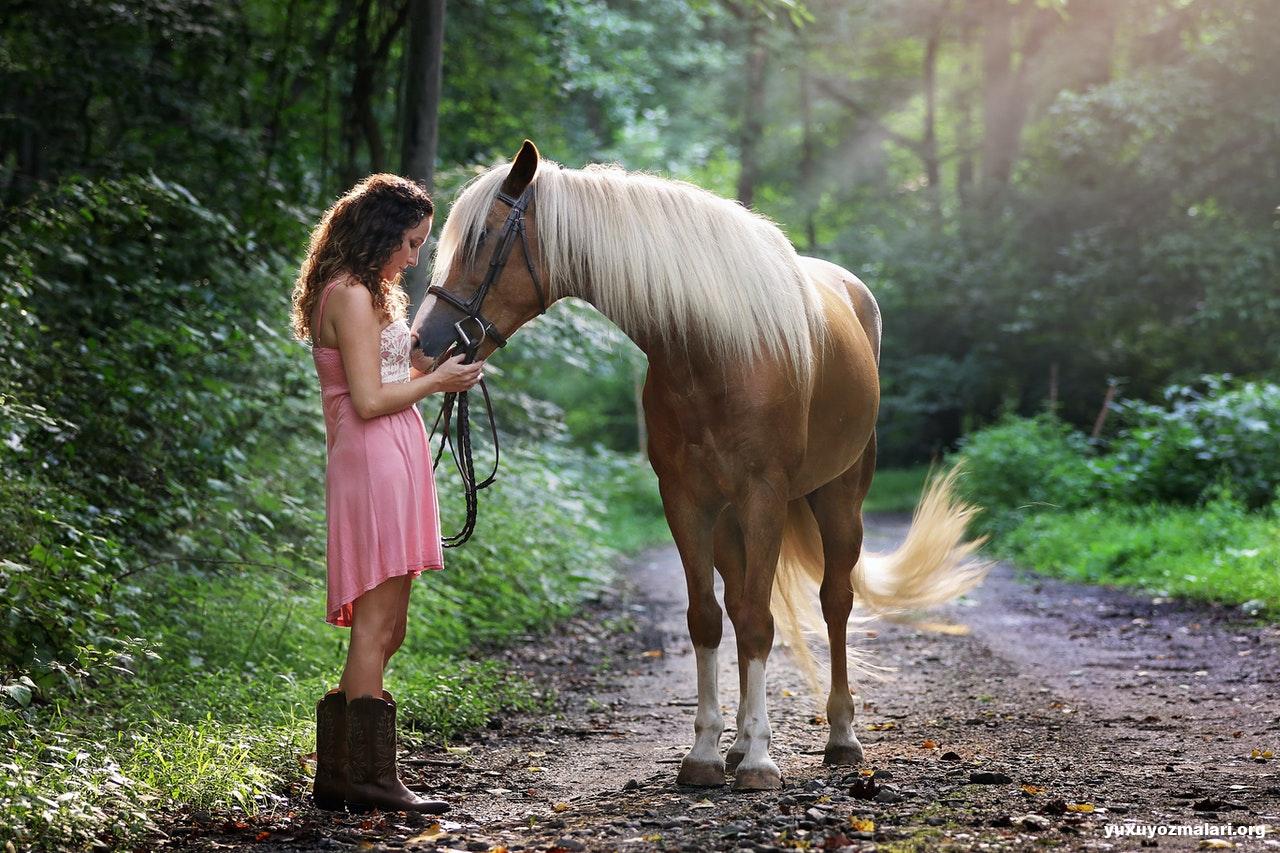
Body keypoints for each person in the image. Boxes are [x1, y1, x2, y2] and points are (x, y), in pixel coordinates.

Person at [290, 174, 482, 814]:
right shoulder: (344, 295)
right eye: (409, 242)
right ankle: (365, 778)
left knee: (390, 626)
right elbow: (369, 400)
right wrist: (435, 386)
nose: (414, 257)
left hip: (395, 453)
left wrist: (445, 370)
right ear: (379, 235)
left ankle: (345, 770)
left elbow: (396, 369)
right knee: (374, 626)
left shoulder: (377, 292)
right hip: (372, 455)